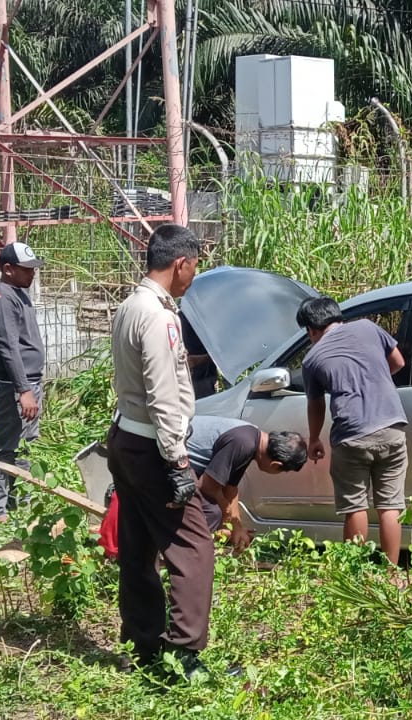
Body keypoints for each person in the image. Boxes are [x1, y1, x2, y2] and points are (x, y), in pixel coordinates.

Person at [107, 223, 212, 673]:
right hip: (153, 447)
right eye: (194, 267)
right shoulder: (161, 316)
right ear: (180, 263)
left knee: (137, 545)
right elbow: (163, 394)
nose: (194, 276)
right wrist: (178, 460)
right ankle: (184, 652)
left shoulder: (131, 306)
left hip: (125, 438)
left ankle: (141, 643)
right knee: (193, 546)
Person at [298, 296, 410, 566]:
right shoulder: (368, 328)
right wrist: (375, 381)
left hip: (351, 436)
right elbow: (398, 362)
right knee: (390, 505)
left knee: (355, 506)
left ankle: (356, 575)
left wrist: (314, 440)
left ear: (312, 329)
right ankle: (393, 573)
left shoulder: (312, 359)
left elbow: (315, 406)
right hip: (392, 427)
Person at [0, 241, 46, 522]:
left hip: (28, 383)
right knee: (6, 445)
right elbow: (8, 346)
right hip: (14, 386)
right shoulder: (1, 297)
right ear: (8, 269)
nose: (32, 274)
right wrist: (23, 389)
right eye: (27, 269)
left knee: (26, 443)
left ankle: (20, 501)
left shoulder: (18, 292)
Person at [184, 416, 308, 552]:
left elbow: (230, 487)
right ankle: (189, 558)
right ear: (276, 465)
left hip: (182, 461)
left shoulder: (253, 438)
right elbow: (207, 486)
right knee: (212, 512)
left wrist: (237, 526)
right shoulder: (243, 443)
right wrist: (226, 513)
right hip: (168, 459)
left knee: (216, 510)